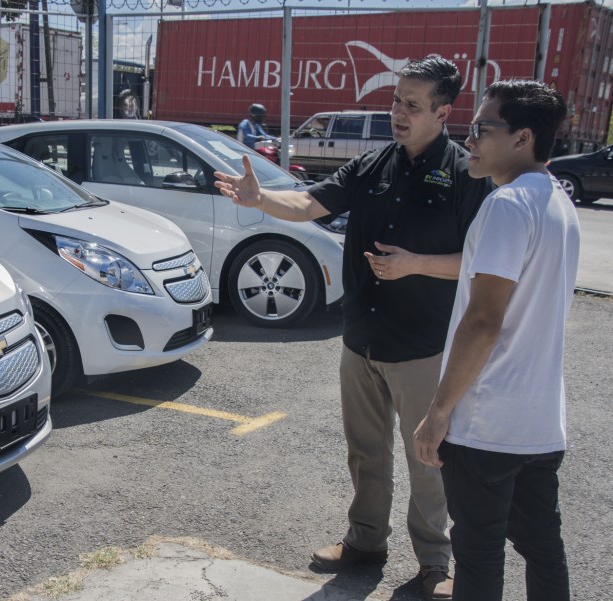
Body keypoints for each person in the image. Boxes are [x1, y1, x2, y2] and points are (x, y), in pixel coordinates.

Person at [214, 57, 493, 601]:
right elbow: (310, 202)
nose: (398, 113)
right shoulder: (373, 164)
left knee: (428, 458)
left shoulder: (466, 173)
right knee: (365, 450)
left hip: (423, 346)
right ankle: (365, 543)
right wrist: (261, 199)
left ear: (443, 110)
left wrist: (416, 263)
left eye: (412, 105)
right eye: (395, 101)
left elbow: (479, 260)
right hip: (362, 338)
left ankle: (436, 564)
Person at [414, 80, 576, 600]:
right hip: (539, 422)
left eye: (483, 128)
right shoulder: (558, 201)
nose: (471, 140)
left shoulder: (507, 205)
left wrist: (438, 413)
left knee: (479, 552)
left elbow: (484, 321)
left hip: (488, 424)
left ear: (523, 137)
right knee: (542, 545)